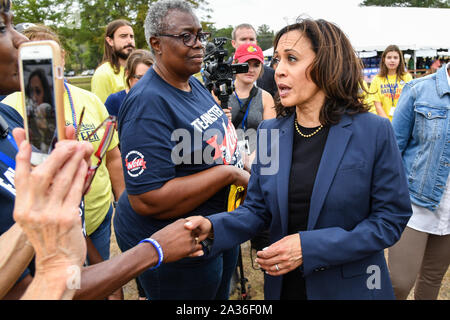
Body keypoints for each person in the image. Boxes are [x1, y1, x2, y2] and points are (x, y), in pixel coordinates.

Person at [185, 18, 412, 300]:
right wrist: (214, 228)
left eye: (291, 59)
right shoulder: (270, 132)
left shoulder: (374, 131)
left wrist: (309, 247)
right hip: (285, 288)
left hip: (352, 288)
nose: (278, 70)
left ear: (327, 65)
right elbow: (257, 209)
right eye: (277, 59)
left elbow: (390, 220)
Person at [0, 0, 203, 300]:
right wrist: (152, 251)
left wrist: (55, 203)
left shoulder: (11, 121)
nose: (20, 39)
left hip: (93, 223)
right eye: (2, 26)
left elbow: (54, 279)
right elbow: (25, 291)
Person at [114, 0, 250, 300]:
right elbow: (147, 199)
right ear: (156, 44)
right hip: (176, 249)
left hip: (214, 230)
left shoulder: (193, 83)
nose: (198, 44)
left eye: (200, 35)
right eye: (186, 36)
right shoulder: (148, 104)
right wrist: (228, 173)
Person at [2, 25, 125, 268]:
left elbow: (113, 157)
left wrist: (121, 203)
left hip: (97, 216)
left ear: (62, 57)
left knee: (96, 279)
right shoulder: (10, 107)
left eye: (47, 55)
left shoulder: (89, 100)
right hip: (46, 229)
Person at [389, 63, 450, 300]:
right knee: (399, 283)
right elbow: (393, 149)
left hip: (448, 211)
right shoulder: (418, 89)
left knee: (432, 280)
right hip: (414, 202)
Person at [91, 19, 135, 103]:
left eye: (131, 36)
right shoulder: (103, 74)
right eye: (123, 36)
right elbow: (102, 113)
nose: (129, 41)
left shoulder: (141, 69)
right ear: (110, 41)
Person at [231, 23, 278, 98]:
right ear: (233, 43)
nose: (248, 43)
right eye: (243, 39)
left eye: (251, 39)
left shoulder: (270, 74)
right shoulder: (221, 72)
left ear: (256, 42)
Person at [104, 49, 154, 117]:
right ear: (128, 73)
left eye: (150, 77)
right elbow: (108, 127)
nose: (146, 83)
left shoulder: (159, 100)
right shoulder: (114, 101)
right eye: (139, 78)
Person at [369, 45, 412, 121]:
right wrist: (387, 123)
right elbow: (376, 105)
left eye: (395, 58)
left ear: (400, 60)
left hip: (403, 123)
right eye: (389, 57)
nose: (392, 60)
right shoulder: (377, 79)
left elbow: (409, 103)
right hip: (383, 124)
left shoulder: (407, 77)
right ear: (383, 59)